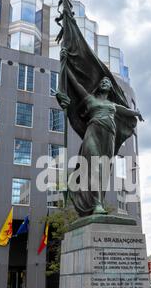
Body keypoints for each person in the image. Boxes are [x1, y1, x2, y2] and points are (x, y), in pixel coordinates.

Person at [57, 48, 143, 216]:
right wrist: (65, 63)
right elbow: (75, 83)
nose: (105, 83)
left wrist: (137, 113)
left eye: (108, 82)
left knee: (104, 171)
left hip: (109, 136)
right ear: (99, 86)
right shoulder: (90, 99)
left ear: (110, 88)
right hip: (93, 132)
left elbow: (127, 112)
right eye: (102, 81)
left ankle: (99, 201)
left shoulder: (113, 105)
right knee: (95, 168)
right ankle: (97, 204)